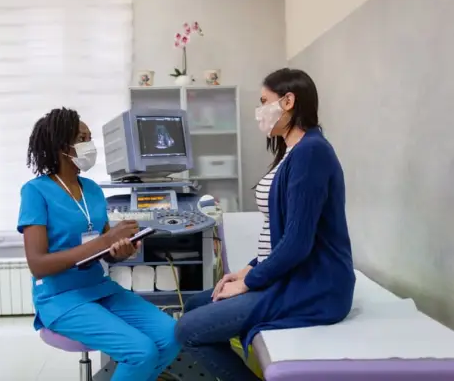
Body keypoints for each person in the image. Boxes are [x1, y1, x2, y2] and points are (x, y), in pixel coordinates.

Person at [175, 68, 356, 381]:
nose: (259, 111)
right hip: (288, 276)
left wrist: (249, 282)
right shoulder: (293, 152)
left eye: (263, 101)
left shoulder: (311, 153)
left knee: (186, 330)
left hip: (313, 287)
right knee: (194, 305)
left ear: (288, 101)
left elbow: (297, 243)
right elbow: (280, 235)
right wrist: (248, 269)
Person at [18, 108, 180, 381]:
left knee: (171, 335)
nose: (90, 144)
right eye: (82, 138)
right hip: (60, 297)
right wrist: (105, 240)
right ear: (62, 145)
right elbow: (38, 265)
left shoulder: (92, 189)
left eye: (90, 137)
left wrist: (122, 250)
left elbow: (107, 252)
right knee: (141, 352)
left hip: (100, 288)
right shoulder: (35, 191)